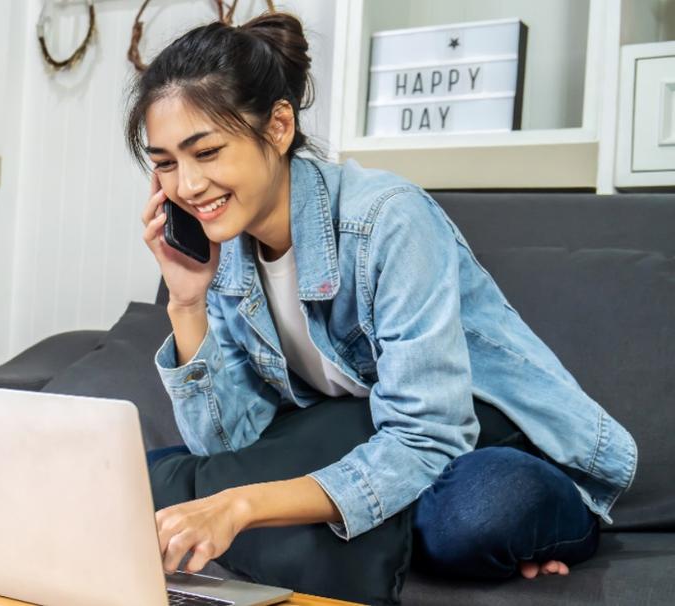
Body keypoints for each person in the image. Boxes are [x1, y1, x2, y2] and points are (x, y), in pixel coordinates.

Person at [128, 11, 637, 585]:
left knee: (478, 512)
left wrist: (241, 507)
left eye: (207, 152)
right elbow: (232, 448)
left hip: (481, 440)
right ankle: (372, 522)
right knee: (133, 482)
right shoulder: (224, 254)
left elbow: (428, 437)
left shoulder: (388, 220)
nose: (188, 187)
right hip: (364, 441)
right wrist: (187, 302)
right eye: (165, 164)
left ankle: (436, 520)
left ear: (277, 127)